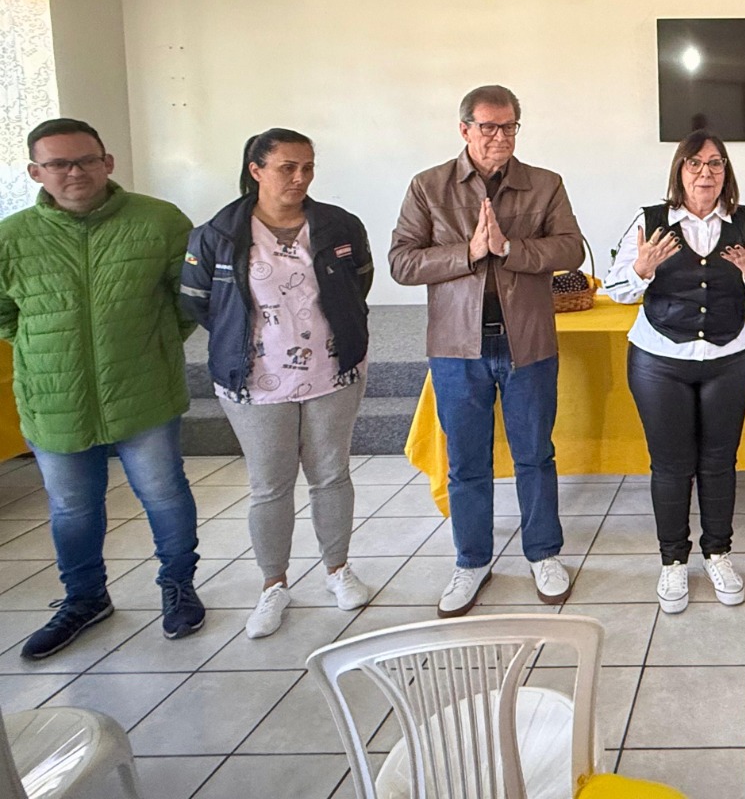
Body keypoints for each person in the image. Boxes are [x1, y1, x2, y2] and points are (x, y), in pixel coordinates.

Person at [0, 118, 205, 659]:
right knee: (72, 509)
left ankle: (178, 586)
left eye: (86, 160)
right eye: (58, 164)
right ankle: (84, 599)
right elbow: (5, 316)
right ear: (35, 172)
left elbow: (188, 300)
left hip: (143, 389)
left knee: (164, 494)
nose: (74, 173)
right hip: (55, 400)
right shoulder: (12, 237)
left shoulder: (159, 221)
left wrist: (153, 344)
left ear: (107, 162)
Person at [390, 85, 583, 617]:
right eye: (488, 127)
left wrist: (510, 249)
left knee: (535, 455)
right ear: (464, 130)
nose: (499, 137)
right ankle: (471, 561)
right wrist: (470, 252)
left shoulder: (544, 185)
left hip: (528, 342)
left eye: (509, 127)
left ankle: (544, 553)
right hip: (457, 348)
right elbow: (402, 263)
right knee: (467, 462)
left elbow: (571, 247)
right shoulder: (428, 187)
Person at [181, 129, 375, 639]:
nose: (300, 177)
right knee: (269, 485)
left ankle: (338, 569)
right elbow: (200, 302)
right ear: (256, 170)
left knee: (331, 473)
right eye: (288, 167)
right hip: (255, 380)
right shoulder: (219, 234)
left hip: (332, 370)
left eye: (308, 167)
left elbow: (360, 281)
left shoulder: (338, 225)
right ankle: (274, 584)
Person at [605, 132, 745, 613]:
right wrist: (641, 269)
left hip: (729, 359)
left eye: (716, 164)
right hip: (659, 360)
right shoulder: (650, 222)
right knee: (670, 464)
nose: (706, 173)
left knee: (720, 462)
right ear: (679, 171)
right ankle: (672, 562)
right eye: (695, 163)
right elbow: (618, 288)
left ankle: (719, 553)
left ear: (726, 173)